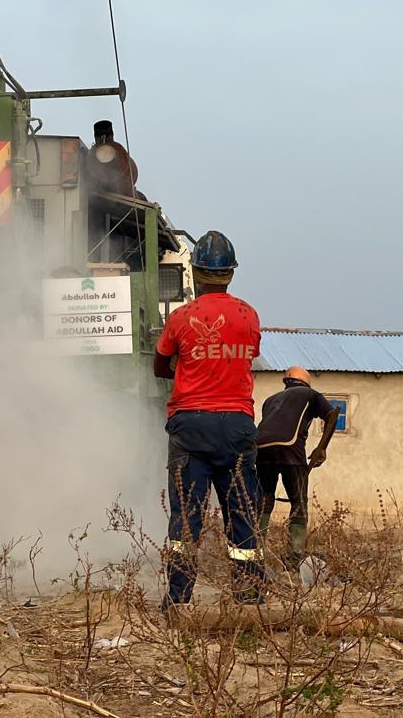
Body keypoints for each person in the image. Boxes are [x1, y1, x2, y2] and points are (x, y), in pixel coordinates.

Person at [153, 231, 262, 608]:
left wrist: (188, 369)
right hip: (236, 425)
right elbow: (246, 356)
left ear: (196, 271)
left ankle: (178, 599)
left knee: (185, 520)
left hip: (190, 425)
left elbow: (159, 364)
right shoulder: (249, 315)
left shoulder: (182, 317)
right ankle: (249, 597)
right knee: (242, 514)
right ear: (230, 273)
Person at [256, 365, 339, 568]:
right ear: (306, 382)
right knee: (299, 503)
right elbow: (332, 416)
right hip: (290, 449)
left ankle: (255, 551)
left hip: (260, 448)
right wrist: (321, 449)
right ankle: (295, 556)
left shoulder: (270, 400)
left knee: (264, 501)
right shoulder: (310, 394)